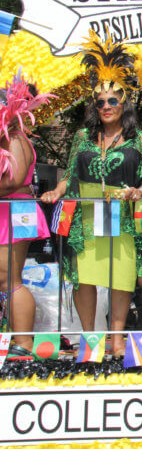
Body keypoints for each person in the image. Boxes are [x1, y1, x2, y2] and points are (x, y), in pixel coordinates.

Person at [41, 32, 142, 356]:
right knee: (86, 277)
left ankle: (117, 338)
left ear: (124, 104)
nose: (106, 106)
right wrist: (56, 191)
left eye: (113, 101)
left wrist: (138, 190)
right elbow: (69, 176)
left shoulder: (138, 139)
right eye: (100, 102)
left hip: (122, 214)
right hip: (86, 214)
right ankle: (91, 339)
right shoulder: (82, 136)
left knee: (121, 276)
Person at [0, 75, 53, 356]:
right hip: (8, 210)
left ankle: (24, 343)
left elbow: (16, 178)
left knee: (10, 278)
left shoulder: (16, 139)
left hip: (15, 211)